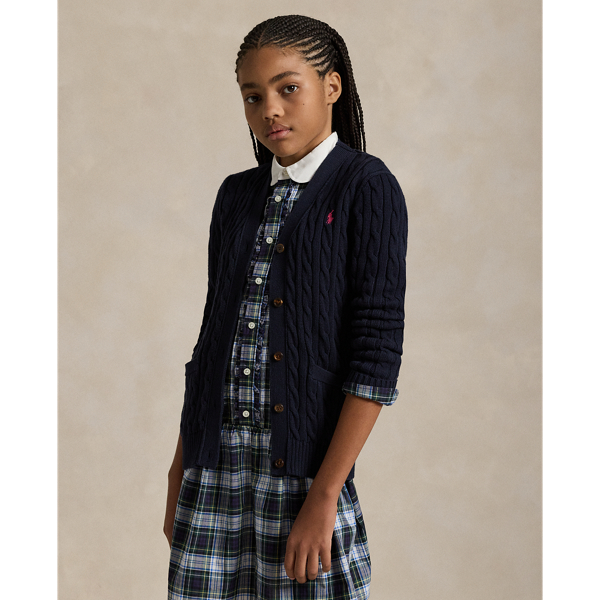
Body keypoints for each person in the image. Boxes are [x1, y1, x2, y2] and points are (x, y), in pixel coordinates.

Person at [164, 14, 408, 600]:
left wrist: (325, 495)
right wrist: (180, 465)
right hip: (214, 469)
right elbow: (212, 341)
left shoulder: (366, 187)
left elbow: (375, 357)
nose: (269, 109)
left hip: (303, 476)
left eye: (288, 88)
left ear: (332, 86)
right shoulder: (236, 195)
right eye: (253, 96)